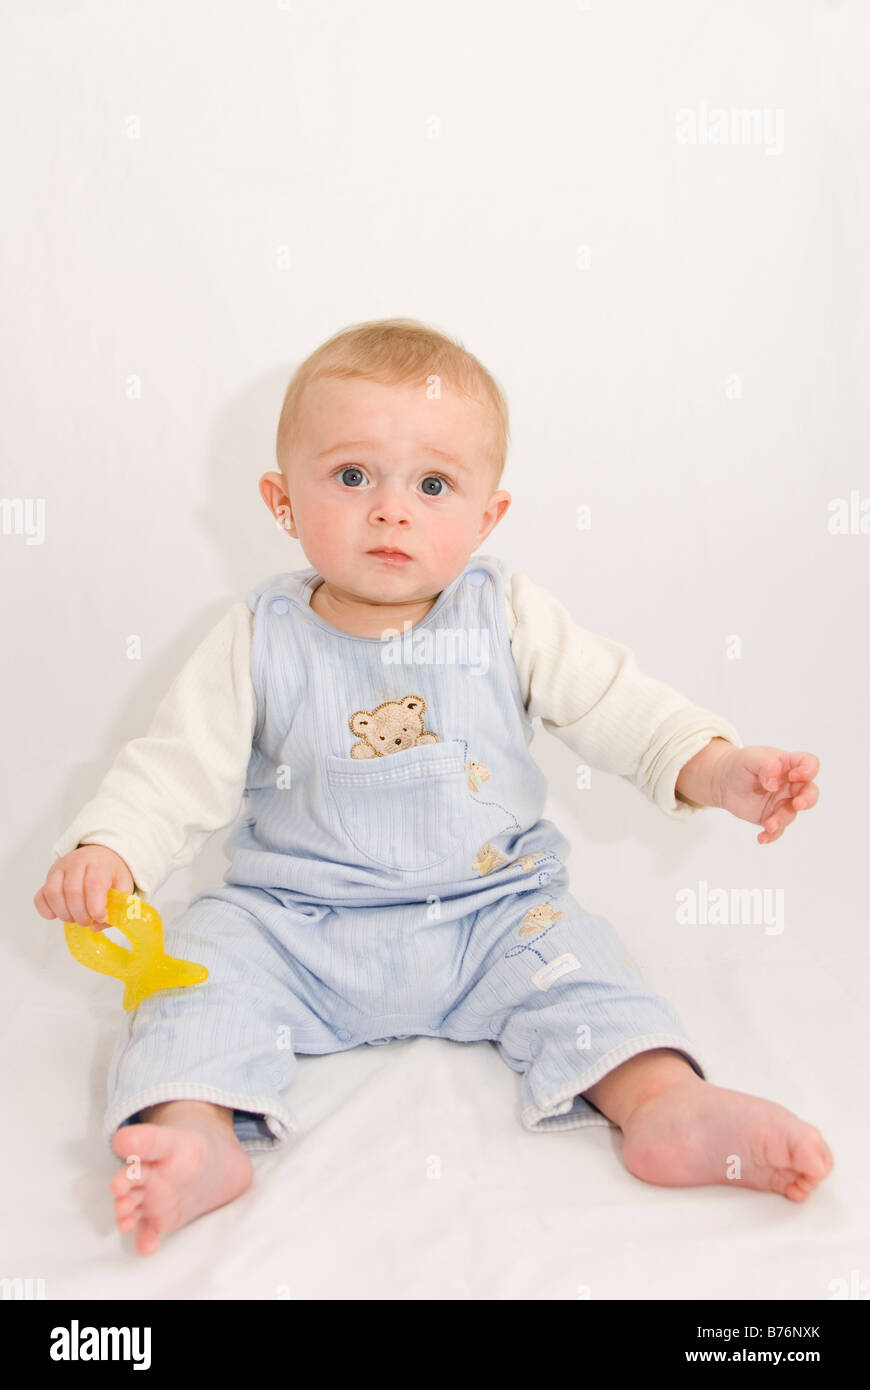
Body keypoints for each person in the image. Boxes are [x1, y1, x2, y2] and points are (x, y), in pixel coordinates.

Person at [35, 318, 832, 1257]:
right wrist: (111, 847)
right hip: (295, 925)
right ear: (282, 500)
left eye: (433, 485)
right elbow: (176, 764)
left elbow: (622, 706)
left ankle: (666, 1105)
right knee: (197, 974)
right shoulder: (260, 634)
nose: (391, 511)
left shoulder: (506, 613)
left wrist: (719, 766)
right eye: (350, 477)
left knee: (586, 969)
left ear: (487, 516)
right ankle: (200, 1134)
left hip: (493, 917)